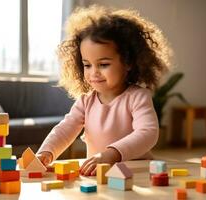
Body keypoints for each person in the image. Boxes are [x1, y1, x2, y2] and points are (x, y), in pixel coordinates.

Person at [36, 5, 172, 176]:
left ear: (128, 62)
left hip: (137, 172)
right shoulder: (86, 101)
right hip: (100, 174)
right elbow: (65, 129)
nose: (94, 72)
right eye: (87, 65)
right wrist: (47, 152)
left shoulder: (137, 97)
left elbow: (148, 134)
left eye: (104, 64)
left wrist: (111, 154)